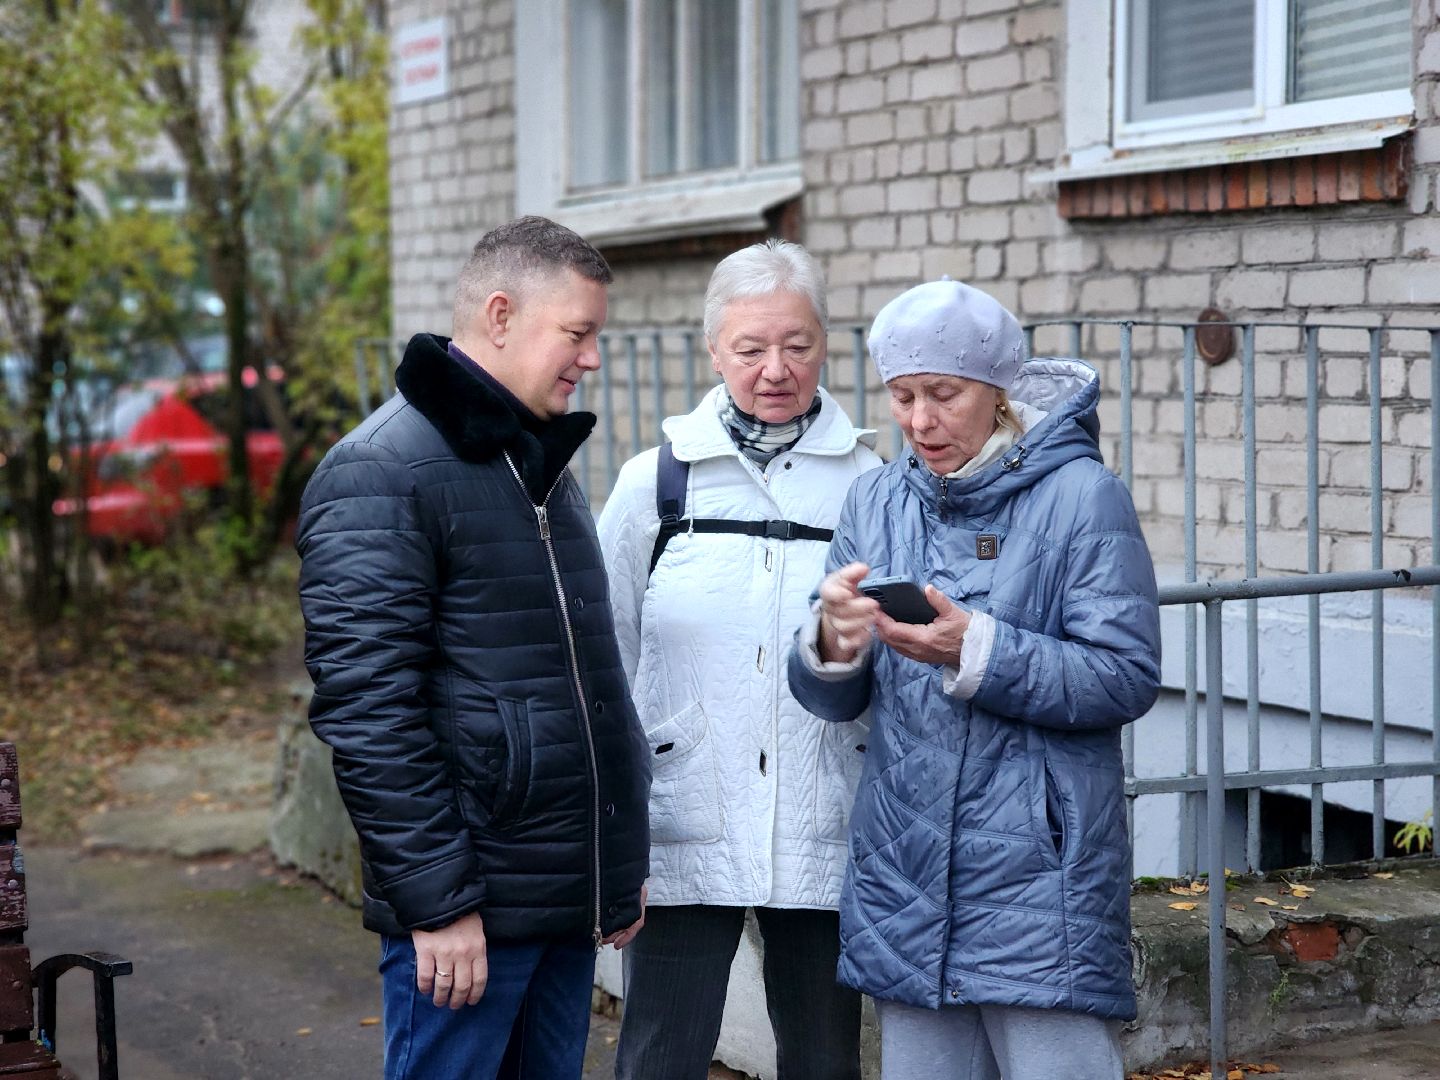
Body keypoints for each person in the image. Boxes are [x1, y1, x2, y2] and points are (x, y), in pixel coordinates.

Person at [295, 215, 650, 1080]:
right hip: (469, 917)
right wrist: (439, 903)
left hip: (559, 898)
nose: (592, 359)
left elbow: (583, 680)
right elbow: (368, 710)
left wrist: (612, 862)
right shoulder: (380, 471)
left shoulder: (539, 465)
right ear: (500, 315)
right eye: (578, 333)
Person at [788, 278, 1162, 1080]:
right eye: (902, 396)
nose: (919, 421)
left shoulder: (1083, 498)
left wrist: (976, 652)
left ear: (998, 391)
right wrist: (831, 641)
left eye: (943, 394)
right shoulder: (875, 499)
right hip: (905, 862)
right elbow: (833, 698)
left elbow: (1125, 675)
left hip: (1038, 875)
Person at [596, 239, 881, 1080]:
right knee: (659, 1057)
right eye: (751, 348)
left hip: (822, 811)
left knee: (825, 1061)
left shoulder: (868, 484)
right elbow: (608, 652)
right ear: (713, 350)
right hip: (683, 811)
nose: (775, 370)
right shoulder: (656, 484)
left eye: (797, 344)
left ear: (825, 344)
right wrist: (616, 810)